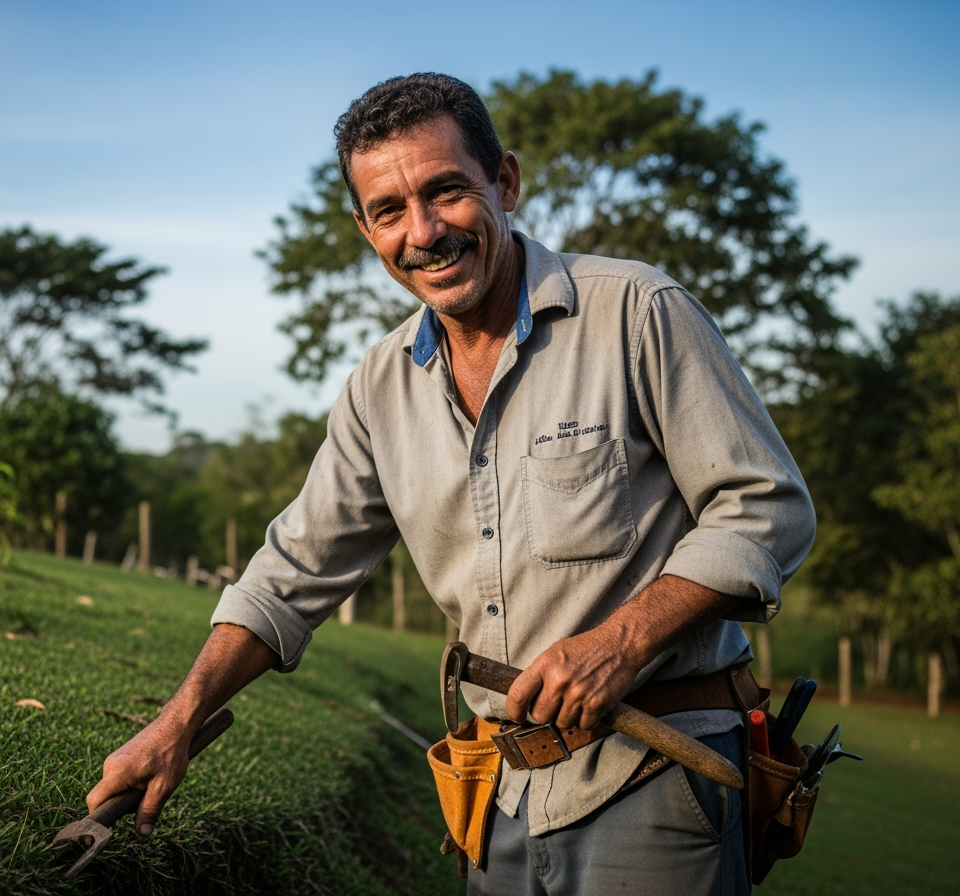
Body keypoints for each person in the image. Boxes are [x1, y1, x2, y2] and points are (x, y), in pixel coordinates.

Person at [88, 72, 815, 895]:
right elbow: (290, 574)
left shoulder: (636, 311)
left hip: (655, 772)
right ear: (364, 228)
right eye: (390, 211)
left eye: (446, 192)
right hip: (495, 794)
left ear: (504, 183)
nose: (424, 232)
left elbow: (767, 508)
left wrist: (619, 643)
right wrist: (176, 724)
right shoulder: (379, 386)